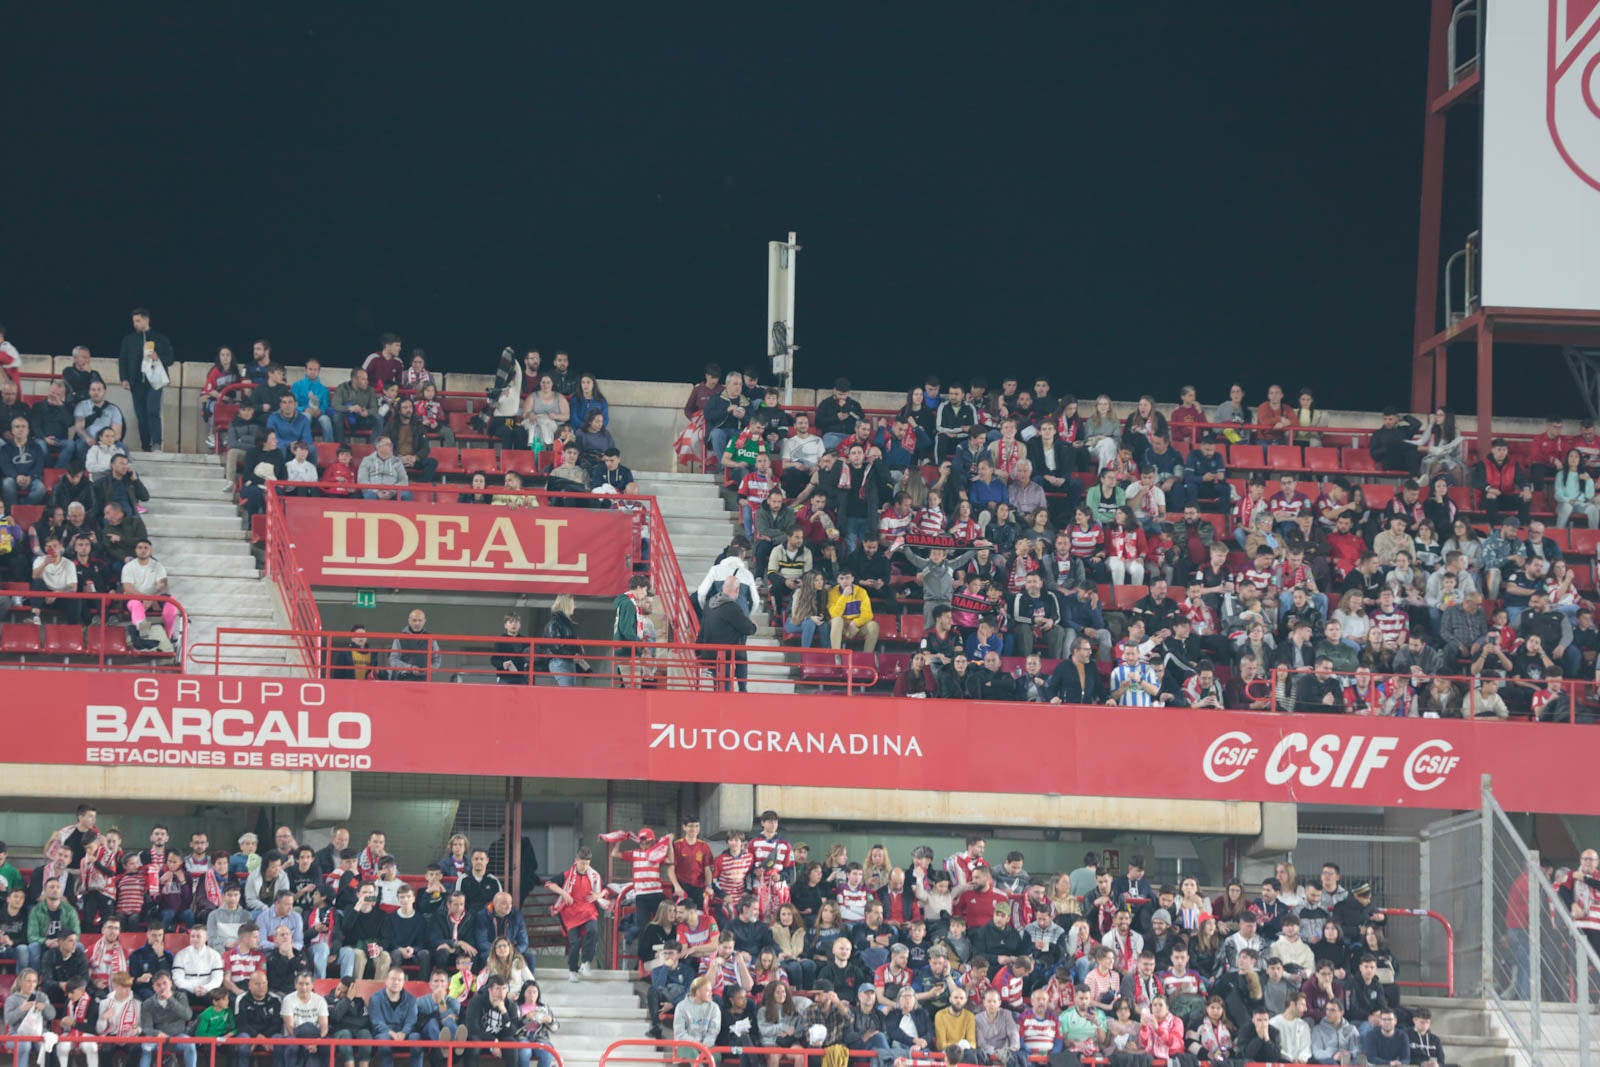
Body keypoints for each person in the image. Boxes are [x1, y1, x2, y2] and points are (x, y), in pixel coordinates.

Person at [116, 309, 175, 453]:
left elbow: (170, 359)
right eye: (134, 321)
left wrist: (158, 357)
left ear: (146, 320)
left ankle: (156, 443)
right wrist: (124, 378)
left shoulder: (161, 338)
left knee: (153, 411)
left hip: (154, 382)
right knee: (141, 416)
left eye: (138, 321)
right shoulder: (129, 340)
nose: (135, 324)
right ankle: (145, 445)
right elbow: (123, 360)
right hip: (136, 382)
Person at [544, 849, 606, 982]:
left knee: (593, 930)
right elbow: (549, 884)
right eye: (582, 863)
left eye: (587, 863)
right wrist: (564, 893)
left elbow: (605, 890)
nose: (585, 866)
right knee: (575, 942)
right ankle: (572, 971)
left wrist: (597, 896)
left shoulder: (594, 876)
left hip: (588, 911)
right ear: (576, 860)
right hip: (570, 914)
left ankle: (586, 963)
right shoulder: (567, 875)